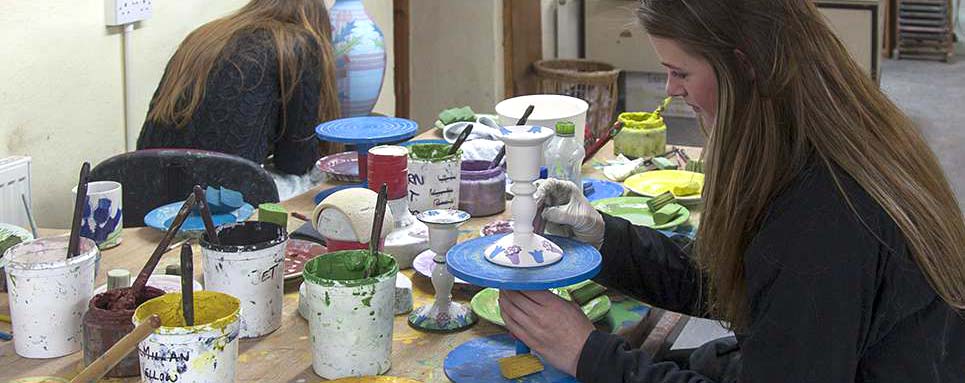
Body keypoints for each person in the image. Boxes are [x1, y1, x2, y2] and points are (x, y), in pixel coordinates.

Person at [499, 1, 965, 382]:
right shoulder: (816, 135)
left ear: (743, 67)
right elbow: (734, 281)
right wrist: (603, 236)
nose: (670, 88)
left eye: (680, 73)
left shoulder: (824, 213)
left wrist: (586, 352)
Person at [137, 0, 340, 197]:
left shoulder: (205, 35)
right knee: (320, 177)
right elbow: (296, 162)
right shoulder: (299, 43)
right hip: (216, 199)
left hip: (145, 185)